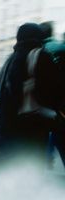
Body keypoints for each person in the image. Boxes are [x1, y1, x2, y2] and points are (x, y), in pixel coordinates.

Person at [0, 23, 62, 170]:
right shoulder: (40, 56)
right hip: (32, 121)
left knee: (8, 163)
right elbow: (54, 87)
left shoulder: (10, 59)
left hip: (7, 121)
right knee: (32, 163)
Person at [39, 21, 65, 168]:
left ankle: (46, 157)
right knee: (58, 128)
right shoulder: (60, 47)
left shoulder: (38, 50)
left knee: (47, 129)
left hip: (44, 98)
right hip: (60, 98)